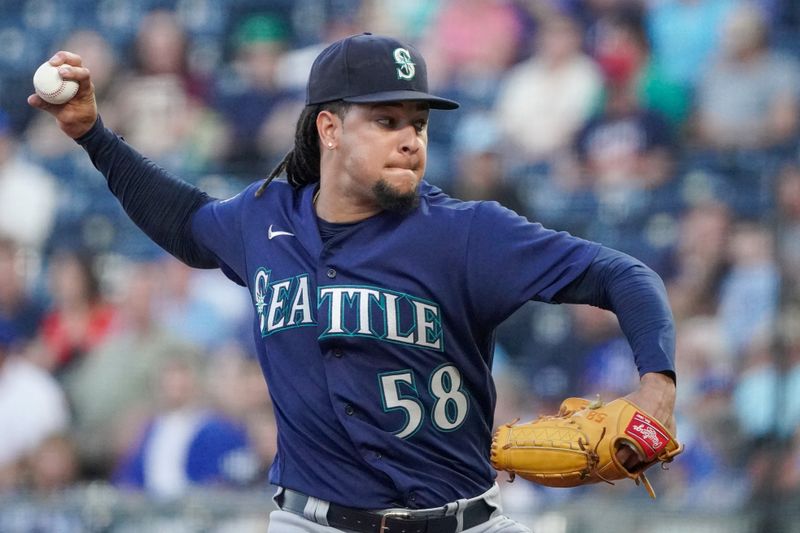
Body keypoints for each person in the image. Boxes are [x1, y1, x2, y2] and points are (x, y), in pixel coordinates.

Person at [30, 33, 677, 532]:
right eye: (387, 120)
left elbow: (623, 274)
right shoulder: (265, 219)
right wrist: (93, 135)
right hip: (310, 519)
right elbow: (184, 219)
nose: (409, 140)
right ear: (330, 128)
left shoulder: (469, 233)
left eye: (418, 124)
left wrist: (657, 389)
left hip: (459, 516)